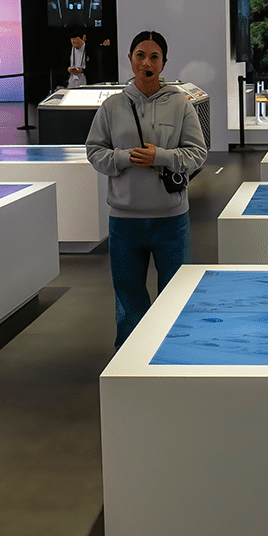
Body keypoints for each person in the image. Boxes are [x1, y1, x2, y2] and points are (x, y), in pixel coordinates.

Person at [86, 30, 207, 345]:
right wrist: (125, 158)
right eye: (140, 55)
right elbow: (94, 152)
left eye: (154, 57)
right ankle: (130, 357)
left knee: (176, 295)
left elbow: (197, 153)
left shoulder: (180, 104)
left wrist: (161, 156)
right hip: (124, 222)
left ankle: (175, 354)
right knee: (128, 299)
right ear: (130, 59)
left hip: (171, 220)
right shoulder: (112, 106)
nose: (146, 63)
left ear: (163, 62)